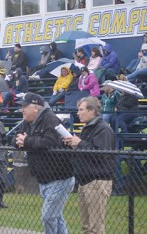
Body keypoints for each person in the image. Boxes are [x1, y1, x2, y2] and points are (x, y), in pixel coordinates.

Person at [14, 92, 74, 234]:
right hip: (44, 178)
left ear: (36, 108)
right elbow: (14, 138)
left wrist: (27, 141)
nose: (22, 109)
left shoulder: (50, 119)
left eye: (24, 106)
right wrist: (21, 141)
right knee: (56, 216)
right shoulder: (26, 123)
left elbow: (50, 142)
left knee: (48, 217)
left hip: (60, 177)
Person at [64, 97, 115, 234]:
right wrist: (74, 144)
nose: (78, 113)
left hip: (97, 181)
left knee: (95, 227)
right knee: (87, 227)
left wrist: (79, 143)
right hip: (85, 180)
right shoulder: (89, 127)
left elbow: (101, 154)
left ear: (91, 110)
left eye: (81, 110)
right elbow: (86, 151)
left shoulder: (103, 129)